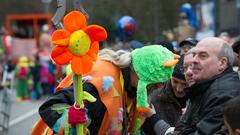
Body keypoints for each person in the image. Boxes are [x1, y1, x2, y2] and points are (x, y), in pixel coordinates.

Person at [37, 45, 179, 134]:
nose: (160, 86)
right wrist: (68, 118)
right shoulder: (101, 80)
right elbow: (49, 108)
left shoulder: (133, 91)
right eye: (157, 81)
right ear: (142, 72)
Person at [144, 37, 240, 135]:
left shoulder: (222, 93)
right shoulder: (203, 88)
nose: (194, 60)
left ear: (222, 63)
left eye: (203, 56)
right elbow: (183, 129)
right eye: (194, 55)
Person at [142, 55, 188, 134]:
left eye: (185, 84)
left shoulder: (200, 100)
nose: (179, 89)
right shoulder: (154, 97)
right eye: (175, 81)